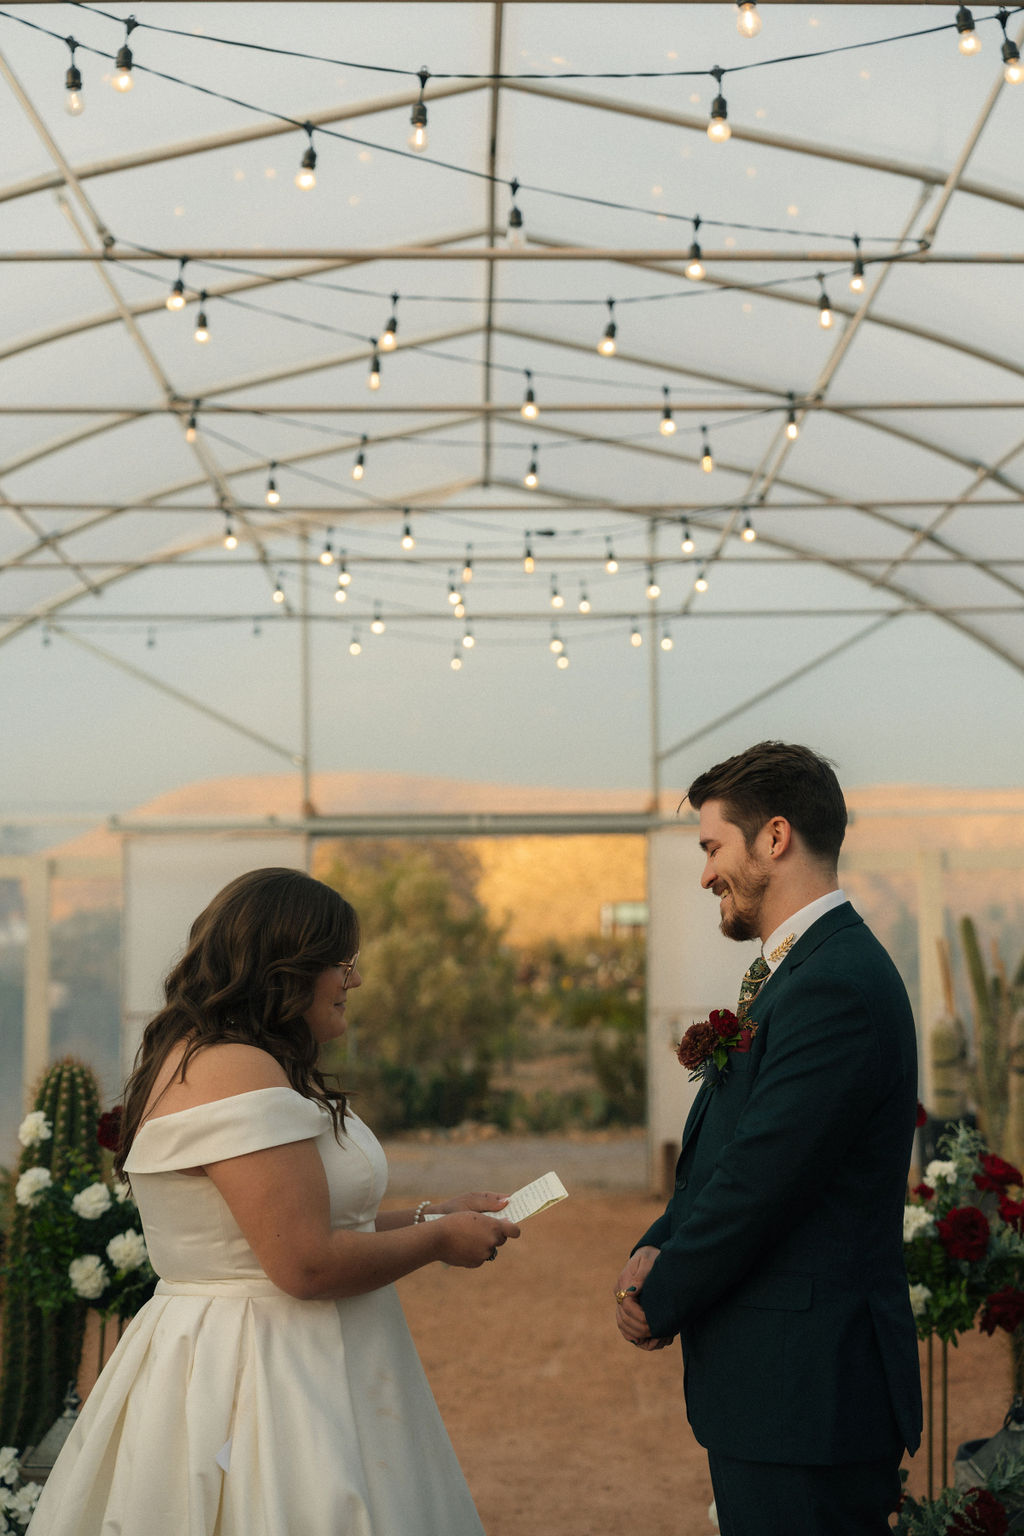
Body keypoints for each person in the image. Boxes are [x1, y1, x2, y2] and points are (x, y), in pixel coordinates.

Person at [28, 866, 518, 1536]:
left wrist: (433, 1213)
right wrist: (438, 1243)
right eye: (341, 963)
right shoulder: (236, 1069)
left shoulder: (217, 1057)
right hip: (262, 1373)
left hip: (255, 1354)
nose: (355, 981)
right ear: (286, 968)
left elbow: (293, 1226)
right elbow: (305, 1264)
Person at [614, 742, 922, 1536]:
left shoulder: (833, 987)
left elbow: (764, 1178)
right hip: (783, 1392)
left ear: (774, 838)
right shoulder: (801, 973)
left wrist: (664, 1290)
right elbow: (734, 1152)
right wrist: (659, 1240)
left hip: (811, 1395)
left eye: (714, 847)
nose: (707, 873)